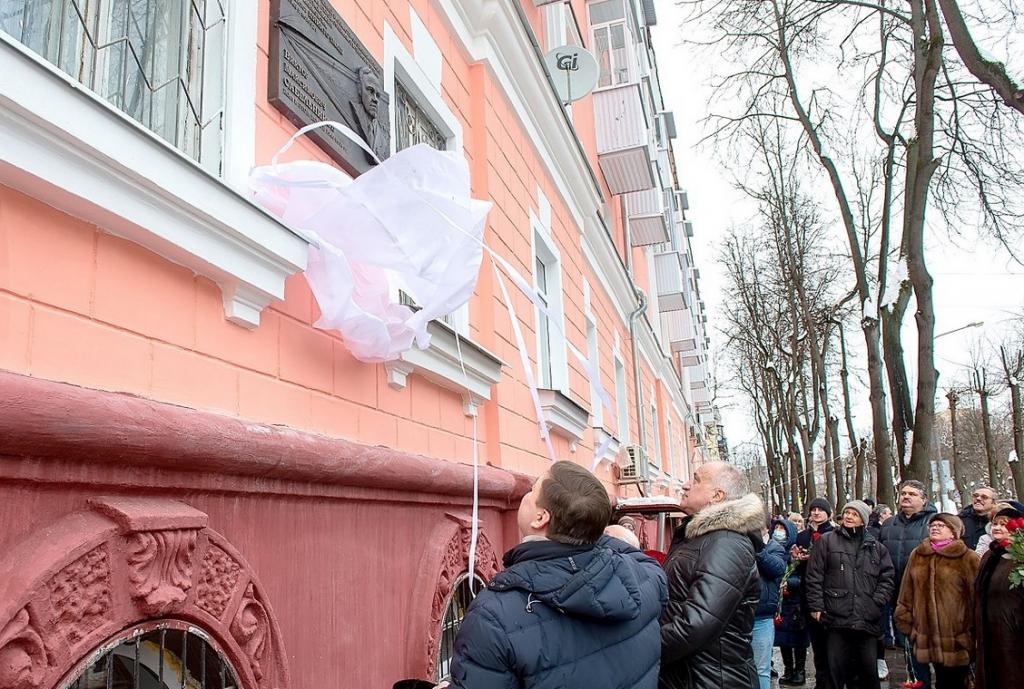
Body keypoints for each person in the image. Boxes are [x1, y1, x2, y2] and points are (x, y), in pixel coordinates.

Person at [447, 461, 667, 688]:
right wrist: (589, 530)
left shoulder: (493, 616)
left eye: (533, 490)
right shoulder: (644, 577)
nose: (527, 493)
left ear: (540, 518)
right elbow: (643, 561)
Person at [659, 461, 764, 689]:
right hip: (689, 676)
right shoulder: (698, 536)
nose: (685, 485)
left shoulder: (727, 543)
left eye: (696, 479)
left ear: (717, 495)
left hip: (713, 680)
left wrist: (639, 647)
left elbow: (696, 625)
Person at [805, 500, 895, 689]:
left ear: (863, 519)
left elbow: (886, 578)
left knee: (867, 674)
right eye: (847, 513)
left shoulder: (876, 548)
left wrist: (876, 602)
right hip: (836, 617)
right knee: (835, 671)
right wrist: (816, 606)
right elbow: (814, 576)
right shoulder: (827, 541)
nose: (848, 517)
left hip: (866, 619)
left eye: (854, 514)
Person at [894, 513, 980, 689]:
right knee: (933, 680)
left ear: (953, 532)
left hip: (956, 637)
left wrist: (971, 632)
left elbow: (976, 598)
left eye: (942, 525)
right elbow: (906, 591)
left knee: (954, 683)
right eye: (932, 525)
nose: (935, 527)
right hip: (924, 634)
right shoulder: (918, 555)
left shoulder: (968, 557)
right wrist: (905, 620)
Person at [880, 479, 937, 688]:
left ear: (923, 499)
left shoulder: (935, 522)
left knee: (932, 646)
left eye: (912, 494)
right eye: (903, 493)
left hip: (928, 596)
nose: (905, 497)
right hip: (898, 596)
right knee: (908, 646)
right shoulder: (888, 525)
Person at [974, 502, 1024, 689]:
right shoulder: (990, 554)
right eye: (995, 523)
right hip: (988, 627)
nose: (997, 527)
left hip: (1013, 630)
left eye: (1004, 523)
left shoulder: (1020, 555)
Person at [788, 497, 834, 689]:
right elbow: (795, 565)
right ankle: (821, 680)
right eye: (813, 509)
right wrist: (796, 559)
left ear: (828, 513)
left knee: (831, 644)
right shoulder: (803, 536)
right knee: (816, 644)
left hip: (829, 593)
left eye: (820, 510)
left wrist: (813, 557)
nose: (816, 513)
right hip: (807, 593)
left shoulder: (833, 534)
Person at [771, 518, 809, 686]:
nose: (778, 531)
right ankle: (788, 669)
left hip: (796, 603)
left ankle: (800, 670)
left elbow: (806, 577)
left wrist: (790, 582)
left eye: (782, 528)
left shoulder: (799, 553)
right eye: (777, 527)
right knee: (783, 639)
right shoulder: (773, 550)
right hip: (780, 604)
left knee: (798, 638)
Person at [753, 522, 788, 689]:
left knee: (761, 669)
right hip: (739, 614)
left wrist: (758, 550)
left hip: (762, 617)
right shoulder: (740, 544)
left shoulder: (775, 548)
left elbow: (777, 568)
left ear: (767, 528)